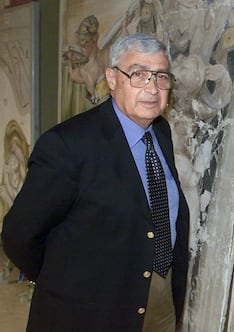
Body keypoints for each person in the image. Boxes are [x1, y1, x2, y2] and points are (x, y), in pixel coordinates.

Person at [1, 32, 190, 332]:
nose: (152, 89)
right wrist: (66, 284)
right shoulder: (67, 145)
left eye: (161, 77)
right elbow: (19, 235)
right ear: (112, 78)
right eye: (139, 74)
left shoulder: (161, 133)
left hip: (158, 305)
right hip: (89, 314)